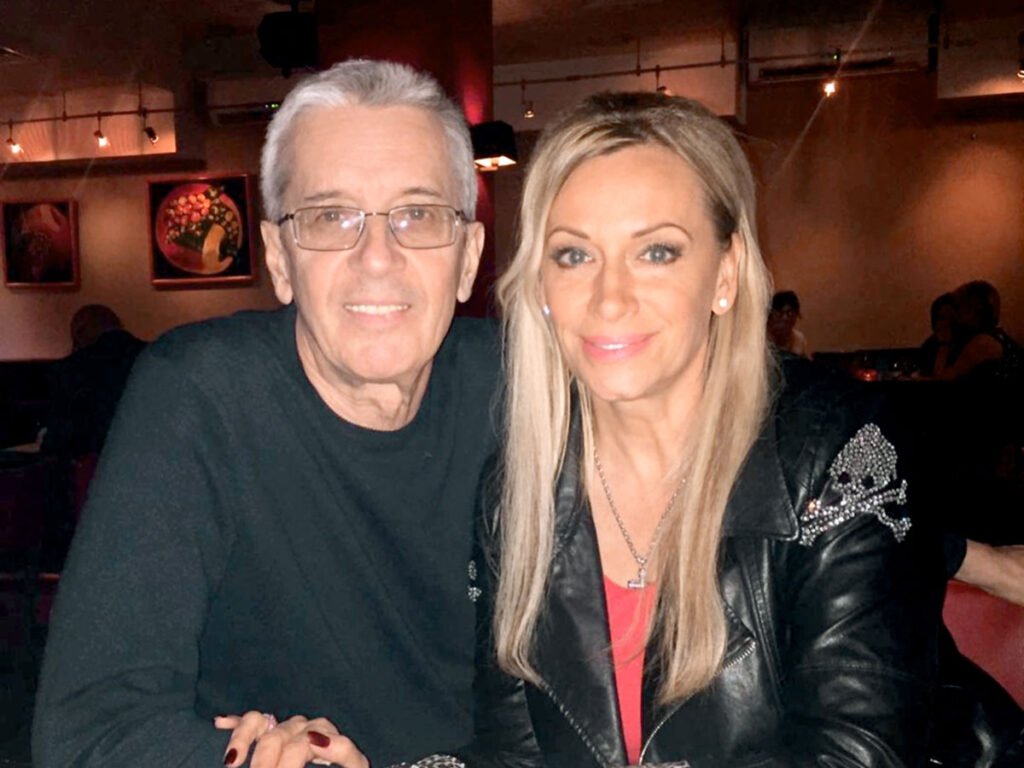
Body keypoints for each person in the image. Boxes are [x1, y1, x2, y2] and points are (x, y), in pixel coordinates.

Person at [223, 92, 949, 768]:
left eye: (656, 251)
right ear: (541, 284)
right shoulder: (520, 493)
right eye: (573, 255)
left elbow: (861, 753)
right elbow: (514, 755)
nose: (609, 297)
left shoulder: (840, 455)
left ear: (726, 273)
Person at [32, 59, 498, 768]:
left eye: (417, 214)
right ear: (279, 258)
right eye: (331, 217)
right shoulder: (202, 394)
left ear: (467, 257)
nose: (378, 257)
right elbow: (86, 733)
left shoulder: (520, 387)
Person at [41, 304, 146, 457]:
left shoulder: (70, 369)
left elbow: (59, 437)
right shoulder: (150, 356)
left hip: (92, 463)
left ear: (80, 333)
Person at [934, 280, 1023, 381]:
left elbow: (945, 378)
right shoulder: (986, 337)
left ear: (972, 310)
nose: (953, 315)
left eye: (957, 307)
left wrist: (944, 345)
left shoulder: (983, 342)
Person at [918, 292, 955, 377]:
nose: (947, 323)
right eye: (942, 318)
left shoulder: (967, 347)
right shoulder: (929, 347)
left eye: (952, 318)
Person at [766, 289, 810, 358]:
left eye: (790, 313)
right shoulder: (760, 339)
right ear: (770, 316)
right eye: (779, 313)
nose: (785, 318)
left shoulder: (799, 339)